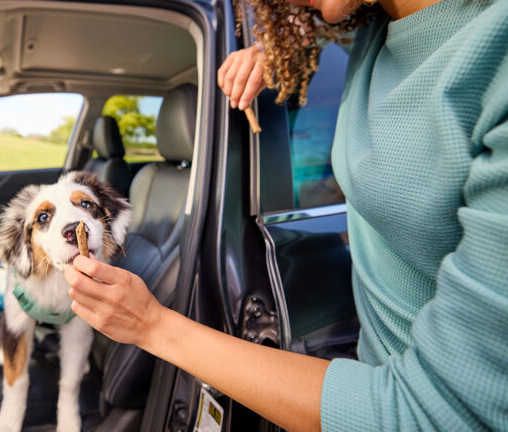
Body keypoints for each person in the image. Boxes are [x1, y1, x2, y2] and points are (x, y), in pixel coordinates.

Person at [65, 0, 508, 430]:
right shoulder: (373, 29)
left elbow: (435, 415)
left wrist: (153, 325)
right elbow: (328, 26)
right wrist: (270, 51)